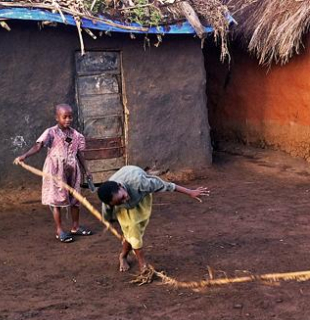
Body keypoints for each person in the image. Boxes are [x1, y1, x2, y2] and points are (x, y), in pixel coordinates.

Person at [97, 166, 210, 272]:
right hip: (126, 210)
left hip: (140, 199)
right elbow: (107, 211)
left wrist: (190, 192)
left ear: (121, 187)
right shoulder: (109, 199)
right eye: (118, 203)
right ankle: (143, 264)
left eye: (122, 197)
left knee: (131, 233)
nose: (124, 201)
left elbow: (168, 186)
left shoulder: (141, 183)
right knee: (134, 232)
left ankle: (123, 255)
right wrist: (108, 220)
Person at [16, 104, 92, 243]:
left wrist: (87, 170)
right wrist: (24, 155)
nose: (68, 119)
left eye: (70, 116)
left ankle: (75, 226)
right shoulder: (50, 133)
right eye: (64, 117)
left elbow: (80, 154)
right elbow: (38, 146)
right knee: (56, 200)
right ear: (57, 117)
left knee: (75, 199)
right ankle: (60, 230)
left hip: (72, 169)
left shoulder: (76, 135)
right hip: (55, 170)